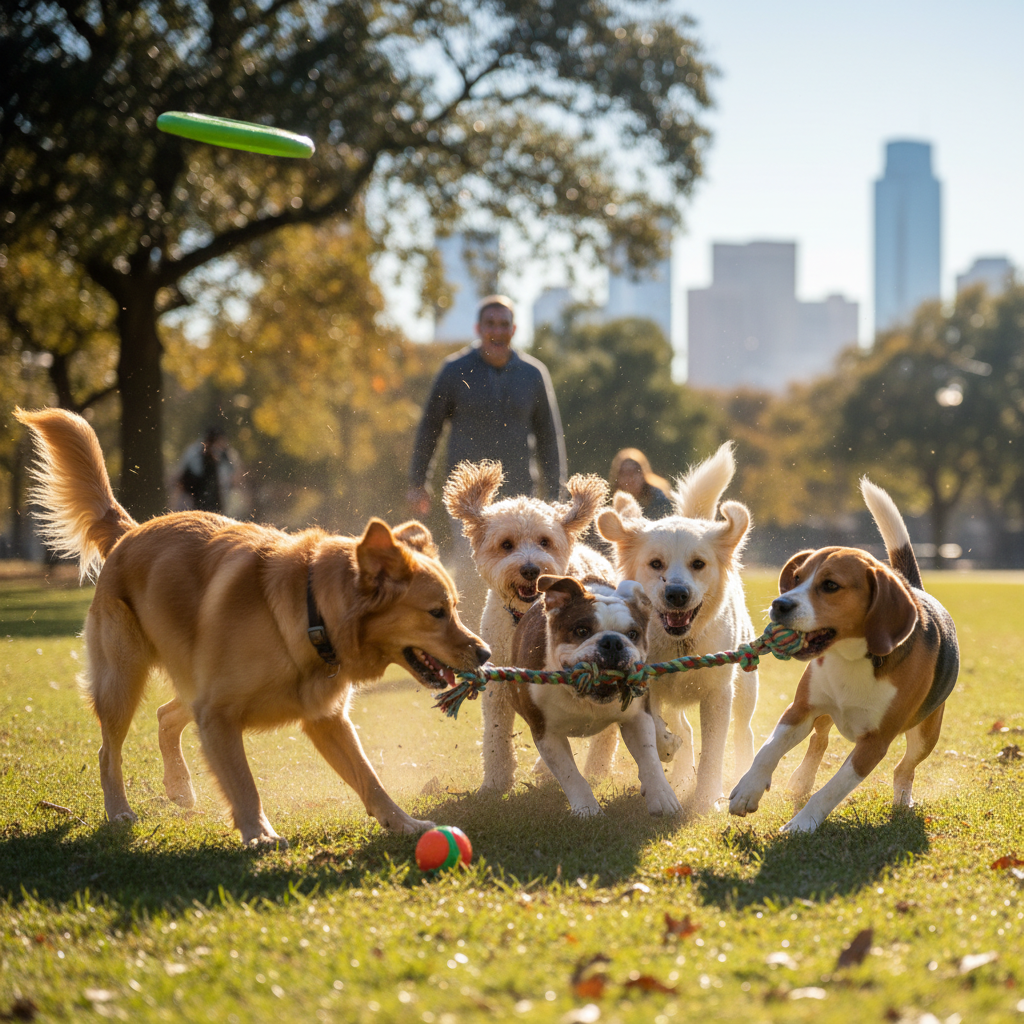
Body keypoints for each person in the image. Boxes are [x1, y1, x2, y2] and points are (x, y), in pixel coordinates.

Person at [407, 295, 567, 622]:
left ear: (514, 329)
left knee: (526, 572)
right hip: (470, 501)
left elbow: (550, 437)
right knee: (471, 570)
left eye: (504, 324)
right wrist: (417, 482)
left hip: (521, 494)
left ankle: (523, 645)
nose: (497, 330)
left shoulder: (533, 374)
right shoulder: (454, 371)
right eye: (490, 324)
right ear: (478, 328)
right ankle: (473, 649)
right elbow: (429, 429)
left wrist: (556, 493)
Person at [175, 424, 237, 514]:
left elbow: (234, 477)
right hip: (197, 498)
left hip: (217, 499)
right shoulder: (195, 453)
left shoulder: (226, 455)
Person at [609, 447, 674, 520]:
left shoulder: (659, 500)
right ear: (617, 478)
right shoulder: (609, 501)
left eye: (634, 472)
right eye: (624, 473)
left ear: (643, 474)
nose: (630, 478)